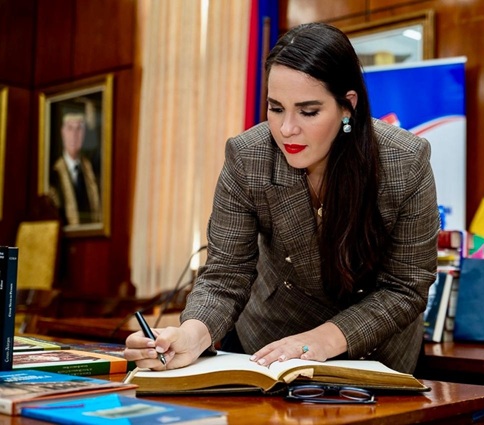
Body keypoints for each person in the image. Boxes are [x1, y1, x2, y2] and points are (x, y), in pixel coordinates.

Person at [125, 22, 439, 374]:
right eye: (276, 108)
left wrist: (323, 340)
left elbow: (405, 287)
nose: (287, 129)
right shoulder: (248, 157)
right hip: (271, 343)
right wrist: (190, 335)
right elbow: (226, 275)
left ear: (347, 106)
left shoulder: (404, 161)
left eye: (308, 111)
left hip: (376, 352)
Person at [49, 112, 102, 226]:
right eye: (70, 128)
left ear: (84, 133)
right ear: (63, 132)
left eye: (79, 129)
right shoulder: (53, 174)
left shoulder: (91, 170)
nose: (74, 135)